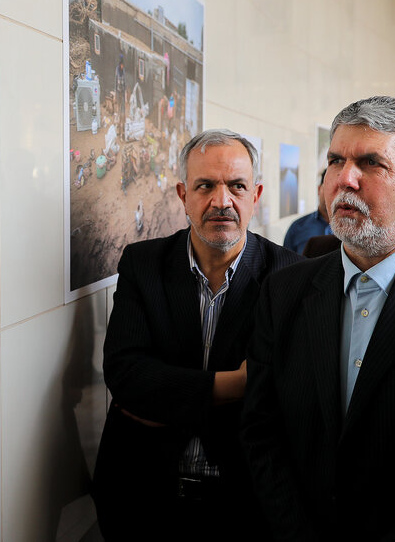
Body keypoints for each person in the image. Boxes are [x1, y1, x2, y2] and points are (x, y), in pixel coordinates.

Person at [242, 96, 395, 540]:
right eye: (335, 160)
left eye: (371, 163)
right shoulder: (284, 291)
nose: (344, 179)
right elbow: (262, 432)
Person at [92, 129, 302, 539]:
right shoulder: (143, 264)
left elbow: (286, 393)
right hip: (141, 497)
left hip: (245, 503)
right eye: (205, 186)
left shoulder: (291, 276)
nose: (221, 201)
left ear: (255, 195)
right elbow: (126, 376)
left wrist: (171, 390)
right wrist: (236, 383)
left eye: (236, 186)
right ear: (182, 195)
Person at [283, 168, 333, 253]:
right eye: (328, 188)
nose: (332, 194)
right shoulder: (297, 227)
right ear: (319, 189)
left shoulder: (352, 229)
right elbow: (286, 263)